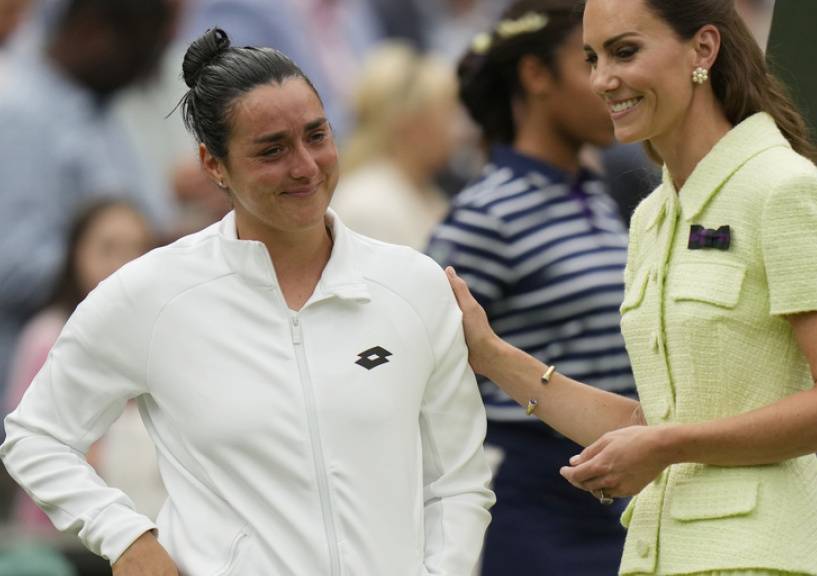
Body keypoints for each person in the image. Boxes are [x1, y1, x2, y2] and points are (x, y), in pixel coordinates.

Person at [1, 28, 494, 576]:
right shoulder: (153, 293)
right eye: (272, 149)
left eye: (316, 135)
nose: (305, 165)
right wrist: (126, 537)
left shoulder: (413, 285)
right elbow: (36, 435)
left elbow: (458, 481)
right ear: (213, 164)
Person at [445, 0, 817, 574]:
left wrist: (667, 445)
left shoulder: (783, 189)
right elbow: (656, 430)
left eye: (625, 52)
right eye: (591, 59)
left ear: (704, 48)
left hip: (768, 558)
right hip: (663, 553)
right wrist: (492, 356)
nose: (602, 80)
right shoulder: (651, 216)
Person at [427, 1, 634, 573]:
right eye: (588, 62)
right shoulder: (484, 214)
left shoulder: (595, 195)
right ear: (536, 75)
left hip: (613, 504)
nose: (609, 82)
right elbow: (427, 364)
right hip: (529, 513)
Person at [0, 0, 178, 413]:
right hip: (34, 382)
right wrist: (119, 264)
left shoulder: (99, 109)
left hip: (107, 374)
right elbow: (11, 264)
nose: (148, 70)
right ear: (93, 33)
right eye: (143, 50)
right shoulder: (21, 115)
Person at [5, 199, 160, 533]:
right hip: (60, 534)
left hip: (149, 528)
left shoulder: (164, 339)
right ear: (76, 253)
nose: (122, 263)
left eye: (138, 249)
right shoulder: (47, 337)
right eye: (108, 248)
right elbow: (30, 440)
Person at [331, 43, 458, 250]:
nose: (457, 131)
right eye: (447, 114)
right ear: (409, 123)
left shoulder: (427, 194)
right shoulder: (368, 205)